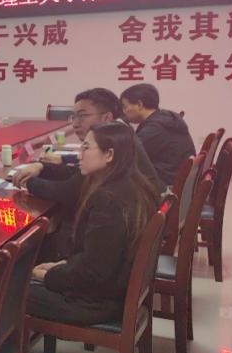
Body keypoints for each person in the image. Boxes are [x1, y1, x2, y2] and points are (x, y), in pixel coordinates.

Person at [27, 122, 160, 326]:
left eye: (86, 147)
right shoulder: (136, 184)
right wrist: (63, 265)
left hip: (96, 303)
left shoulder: (108, 201)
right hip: (112, 291)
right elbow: (100, 257)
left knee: (8, 293)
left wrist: (49, 276)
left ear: (109, 155)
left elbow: (93, 271)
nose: (79, 155)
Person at [13, 88, 160, 261]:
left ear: (107, 117)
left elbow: (69, 192)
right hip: (118, 252)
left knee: (33, 245)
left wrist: (28, 181)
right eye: (73, 117)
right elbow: (77, 173)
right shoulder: (119, 135)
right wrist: (41, 166)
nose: (75, 124)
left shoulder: (116, 148)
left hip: (102, 260)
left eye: (82, 116)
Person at [120, 83, 196, 186]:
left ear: (139, 104)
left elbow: (127, 156)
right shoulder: (165, 118)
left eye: (125, 107)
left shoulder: (155, 129)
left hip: (166, 186)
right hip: (174, 181)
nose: (124, 112)